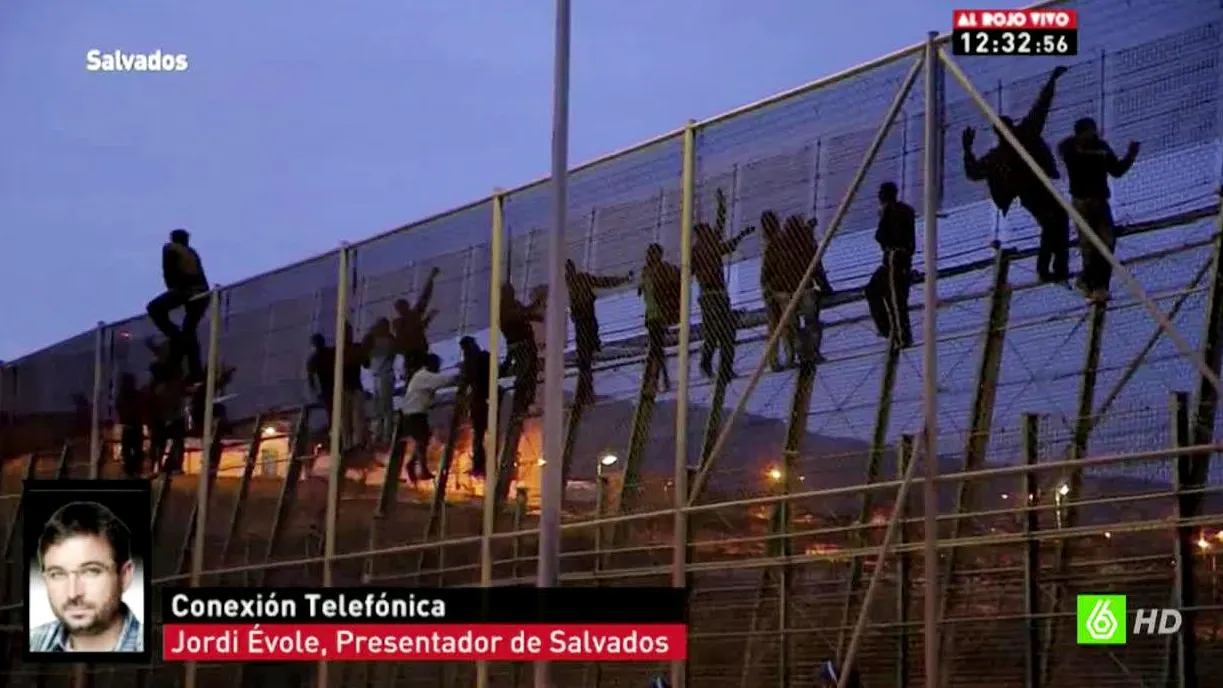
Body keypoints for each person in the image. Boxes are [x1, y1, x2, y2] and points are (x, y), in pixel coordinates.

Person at [963, 65, 1070, 283]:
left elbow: (1040, 108)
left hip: (1039, 189)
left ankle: (1057, 267)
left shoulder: (1020, 138)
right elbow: (974, 173)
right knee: (1053, 222)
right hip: (1032, 192)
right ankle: (1049, 268)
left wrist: (1051, 82)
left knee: (1059, 220)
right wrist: (967, 150)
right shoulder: (1004, 152)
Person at [29, 501, 143, 653]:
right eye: (57, 574)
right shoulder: (30, 643)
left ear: (125, 576)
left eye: (91, 571)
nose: (73, 593)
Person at [1058, 117, 1139, 302]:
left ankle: (1096, 283)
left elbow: (1116, 170)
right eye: (1090, 131)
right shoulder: (1070, 147)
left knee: (1107, 242)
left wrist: (1130, 155)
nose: (1093, 134)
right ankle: (1094, 285)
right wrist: (1099, 155)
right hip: (1082, 201)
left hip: (1100, 200)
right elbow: (1074, 155)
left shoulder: (1100, 146)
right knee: (1089, 244)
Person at [693, 188, 755, 380]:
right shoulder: (702, 249)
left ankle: (717, 366)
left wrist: (741, 234)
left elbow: (725, 238)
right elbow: (723, 233)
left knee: (721, 333)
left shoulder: (705, 248)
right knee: (718, 333)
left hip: (716, 295)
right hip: (713, 295)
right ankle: (711, 365)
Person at [565, 258, 633, 405]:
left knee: (584, 360)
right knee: (585, 360)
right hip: (587, 323)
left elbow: (603, 282)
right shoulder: (577, 283)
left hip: (585, 324)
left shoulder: (576, 283)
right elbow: (603, 282)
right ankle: (586, 392)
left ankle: (585, 392)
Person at [146, 229, 210, 383]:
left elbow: (169, 272)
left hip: (187, 291)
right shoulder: (191, 252)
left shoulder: (171, 248)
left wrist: (174, 289)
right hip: (201, 293)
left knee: (154, 308)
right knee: (189, 331)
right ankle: (195, 371)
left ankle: (176, 339)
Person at [864, 182, 916, 349]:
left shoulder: (891, 211)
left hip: (894, 258)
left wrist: (883, 216)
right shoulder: (906, 210)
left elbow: (881, 236)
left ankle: (898, 335)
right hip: (900, 259)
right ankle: (891, 330)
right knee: (877, 290)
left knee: (894, 298)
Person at [400, 353, 456, 483]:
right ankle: (421, 469)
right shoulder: (424, 376)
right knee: (422, 439)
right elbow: (443, 381)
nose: (438, 368)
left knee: (423, 439)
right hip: (414, 413)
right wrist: (459, 374)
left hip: (414, 413)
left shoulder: (421, 376)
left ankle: (413, 465)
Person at [639, 243, 680, 393]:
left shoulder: (663, 269)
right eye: (649, 254)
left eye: (652, 254)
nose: (649, 257)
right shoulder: (646, 272)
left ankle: (654, 382)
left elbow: (677, 276)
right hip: (651, 315)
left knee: (655, 349)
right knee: (657, 349)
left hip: (659, 315)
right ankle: (663, 380)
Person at [500, 283, 544, 414]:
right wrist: (534, 310)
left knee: (530, 374)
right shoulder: (504, 309)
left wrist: (535, 314)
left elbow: (523, 313)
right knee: (524, 375)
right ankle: (520, 407)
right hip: (520, 346)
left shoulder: (513, 305)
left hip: (525, 344)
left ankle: (526, 403)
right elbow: (520, 315)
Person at [392, 265, 440, 378]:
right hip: (415, 353)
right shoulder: (410, 317)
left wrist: (430, 279)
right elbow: (425, 297)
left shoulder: (401, 321)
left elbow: (425, 296)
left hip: (413, 354)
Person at [458, 336, 493, 478]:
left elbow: (465, 381)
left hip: (478, 400)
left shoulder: (468, 364)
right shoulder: (485, 357)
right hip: (490, 398)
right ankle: (487, 466)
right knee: (487, 435)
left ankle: (480, 467)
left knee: (478, 436)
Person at [363, 318, 397, 445]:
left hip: (384, 375)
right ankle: (380, 434)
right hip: (378, 375)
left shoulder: (386, 341)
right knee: (379, 406)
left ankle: (386, 435)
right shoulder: (384, 340)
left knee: (384, 406)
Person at [115, 373, 145, 478]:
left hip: (130, 427)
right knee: (134, 451)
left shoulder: (122, 396)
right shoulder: (136, 395)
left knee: (130, 451)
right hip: (134, 426)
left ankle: (131, 470)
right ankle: (133, 470)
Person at [306, 333, 336, 429]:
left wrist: (316, 391)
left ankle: (334, 430)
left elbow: (311, 378)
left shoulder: (313, 359)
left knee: (332, 412)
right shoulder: (332, 353)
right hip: (339, 386)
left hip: (326, 389)